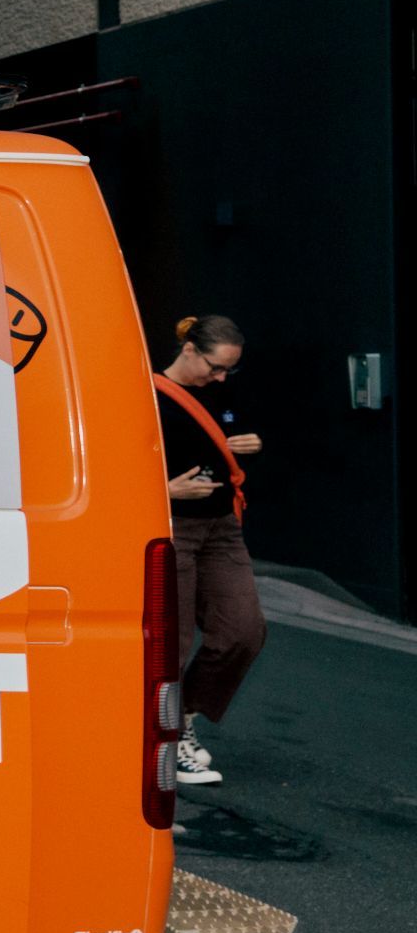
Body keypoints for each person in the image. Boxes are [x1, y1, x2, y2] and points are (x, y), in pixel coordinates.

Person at [155, 313, 265, 787]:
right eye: (215, 367)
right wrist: (167, 490)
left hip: (221, 528)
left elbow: (238, 437)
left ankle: (187, 713)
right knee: (171, 644)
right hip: (170, 525)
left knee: (242, 631)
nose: (220, 378)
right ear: (190, 350)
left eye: (228, 371)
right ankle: (165, 740)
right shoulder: (146, 396)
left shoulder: (224, 393)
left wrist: (254, 444)